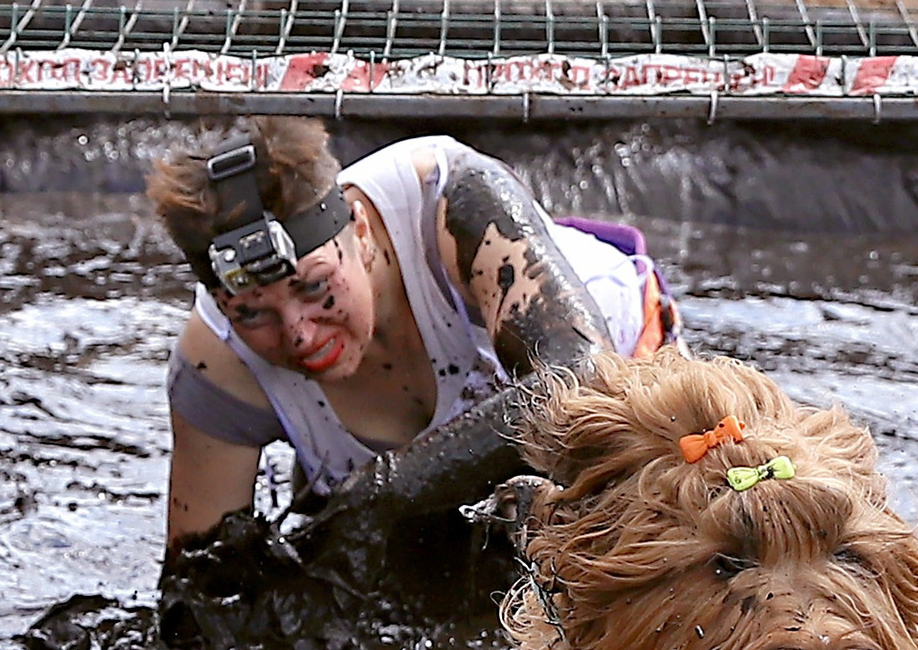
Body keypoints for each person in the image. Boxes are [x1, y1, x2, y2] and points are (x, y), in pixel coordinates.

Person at [148, 120, 676, 563]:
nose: (299, 332)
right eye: (251, 313)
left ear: (358, 231)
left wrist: (384, 491)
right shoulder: (213, 364)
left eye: (313, 286)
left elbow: (581, 378)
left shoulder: (450, 201)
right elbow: (196, 593)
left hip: (620, 372)